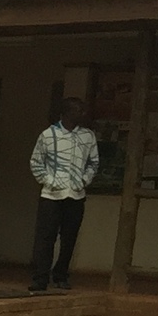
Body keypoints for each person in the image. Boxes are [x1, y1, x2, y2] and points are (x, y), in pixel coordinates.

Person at [28, 95, 99, 294]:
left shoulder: (88, 136)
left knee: (69, 238)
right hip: (51, 195)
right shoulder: (48, 135)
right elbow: (36, 162)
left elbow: (93, 163)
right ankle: (40, 278)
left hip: (75, 195)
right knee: (46, 238)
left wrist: (83, 181)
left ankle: (61, 275)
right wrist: (50, 181)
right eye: (78, 110)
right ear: (67, 112)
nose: (82, 114)